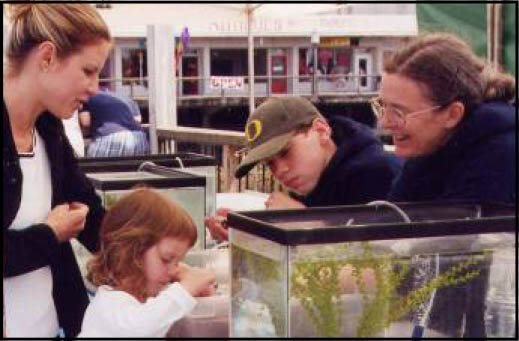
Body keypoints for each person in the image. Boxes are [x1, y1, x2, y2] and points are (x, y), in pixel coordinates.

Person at [376, 33, 516, 337]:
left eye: (398, 111)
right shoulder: (430, 148)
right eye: (381, 106)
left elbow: (458, 265)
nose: (385, 123)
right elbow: (396, 226)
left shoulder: (502, 156)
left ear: (453, 114)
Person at [3, 3, 111, 338]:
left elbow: (91, 216)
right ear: (47, 57)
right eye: (88, 71)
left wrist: (159, 255)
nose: (95, 88)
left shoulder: (48, 129)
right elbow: (58, 231)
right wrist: (50, 235)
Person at [206, 97, 402, 241]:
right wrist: (245, 232)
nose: (279, 170)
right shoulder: (320, 179)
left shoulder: (379, 174)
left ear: (321, 131)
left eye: (285, 152)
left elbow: (388, 267)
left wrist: (303, 220)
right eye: (270, 163)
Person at [79, 188, 217, 337]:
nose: (172, 271)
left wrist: (193, 292)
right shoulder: (109, 305)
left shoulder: (145, 300)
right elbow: (144, 326)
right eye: (166, 259)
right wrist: (186, 288)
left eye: (177, 262)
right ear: (131, 252)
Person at [80, 90, 150, 157]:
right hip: (139, 139)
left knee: (91, 167)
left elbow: (85, 123)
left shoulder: (87, 97)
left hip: (111, 138)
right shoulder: (125, 98)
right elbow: (138, 120)